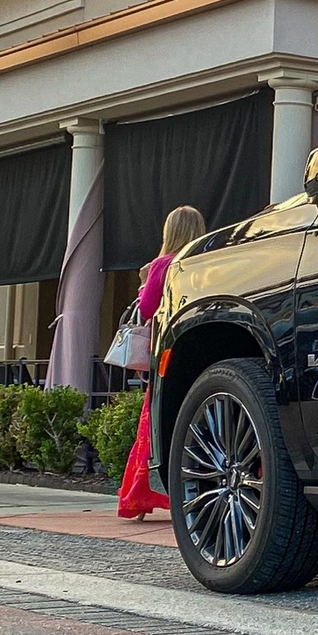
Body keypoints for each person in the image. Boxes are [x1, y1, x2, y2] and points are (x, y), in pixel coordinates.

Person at [118, 204, 206, 520]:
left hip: (167, 350)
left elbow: (148, 307)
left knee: (154, 424)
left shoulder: (162, 265)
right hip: (203, 352)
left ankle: (141, 498)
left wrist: (145, 279)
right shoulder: (204, 262)